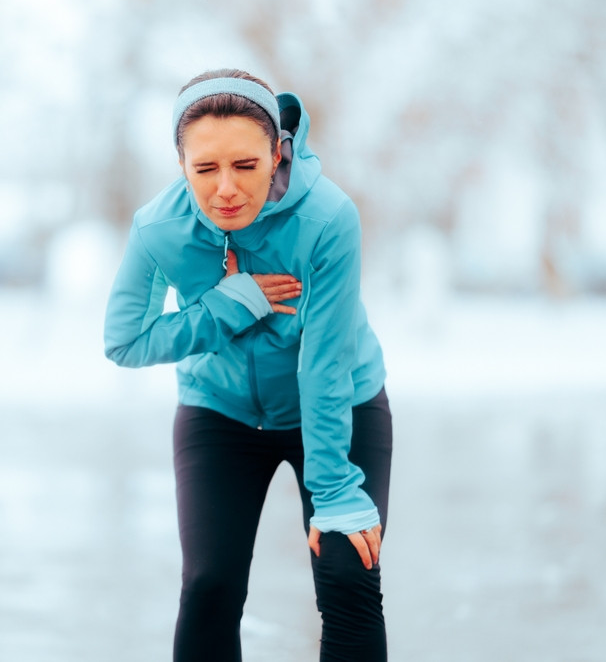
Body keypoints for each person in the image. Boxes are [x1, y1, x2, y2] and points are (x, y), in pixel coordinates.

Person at [104, 68, 393, 662]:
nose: (226, 189)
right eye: (205, 169)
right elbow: (125, 340)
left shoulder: (328, 218)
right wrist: (228, 307)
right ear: (181, 165)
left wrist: (334, 488)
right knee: (208, 586)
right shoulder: (158, 228)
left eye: (245, 165)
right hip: (221, 411)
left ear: (277, 153)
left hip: (341, 402)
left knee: (347, 570)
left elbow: (325, 362)